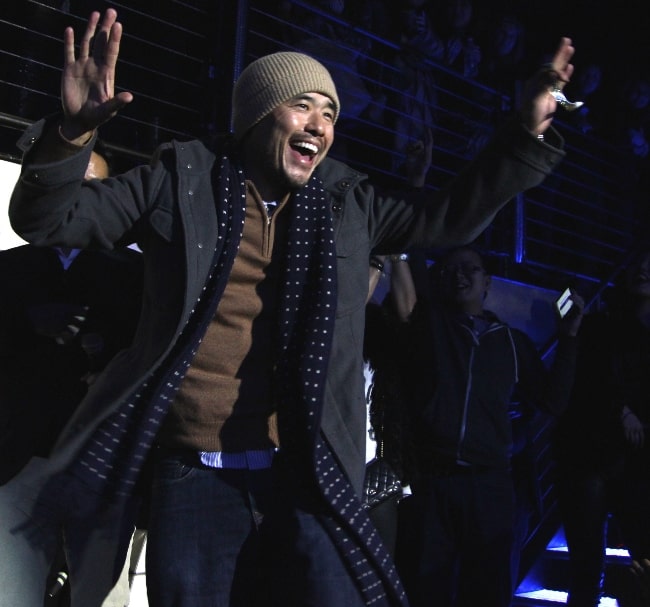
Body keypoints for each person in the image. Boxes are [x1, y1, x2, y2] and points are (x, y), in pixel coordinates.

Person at [6, 8, 577, 606]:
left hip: (307, 472)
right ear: (258, 114)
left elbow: (445, 219)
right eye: (304, 105)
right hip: (196, 473)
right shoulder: (177, 180)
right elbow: (47, 220)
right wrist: (71, 135)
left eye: (329, 113)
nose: (321, 125)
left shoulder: (348, 203)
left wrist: (523, 134)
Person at [384, 245, 584, 607]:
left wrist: (568, 338)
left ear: (487, 282)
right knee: (426, 588)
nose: (460, 275)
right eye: (450, 269)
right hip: (433, 481)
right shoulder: (432, 325)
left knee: (487, 588)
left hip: (489, 485)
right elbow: (414, 288)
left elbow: (552, 401)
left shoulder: (510, 341)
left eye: (470, 269)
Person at [0, 148, 145, 606]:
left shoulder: (138, 275)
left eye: (92, 188)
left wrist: (103, 349)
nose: (79, 199)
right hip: (16, 459)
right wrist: (27, 324)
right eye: (70, 185)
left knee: (97, 596)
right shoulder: (10, 267)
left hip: (99, 464)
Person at [553, 246, 650, 607]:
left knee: (642, 561)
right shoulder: (602, 324)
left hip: (638, 461)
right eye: (639, 262)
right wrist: (620, 409)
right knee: (586, 564)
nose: (642, 268)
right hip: (592, 454)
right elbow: (584, 383)